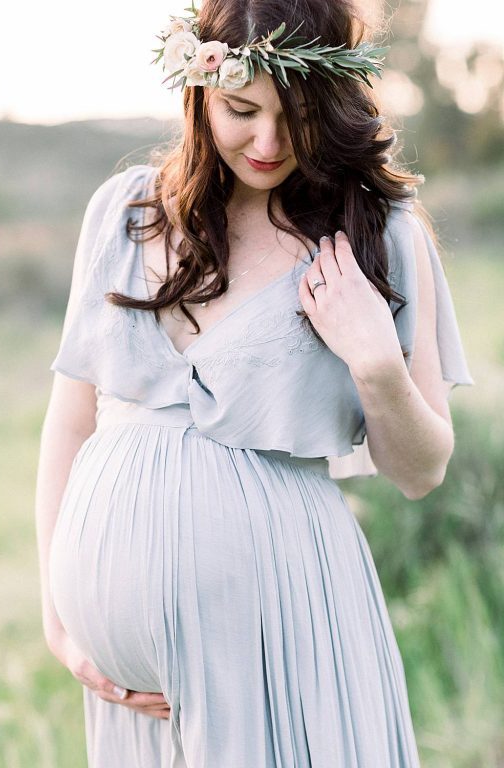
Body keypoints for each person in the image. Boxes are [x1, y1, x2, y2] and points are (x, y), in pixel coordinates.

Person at [35, 1, 474, 765]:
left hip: (284, 627)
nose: (268, 143)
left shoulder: (381, 234)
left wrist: (375, 364)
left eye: (297, 118)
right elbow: (72, 420)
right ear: (199, 91)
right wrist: (58, 618)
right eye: (242, 110)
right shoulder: (123, 213)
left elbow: (423, 469)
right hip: (131, 688)